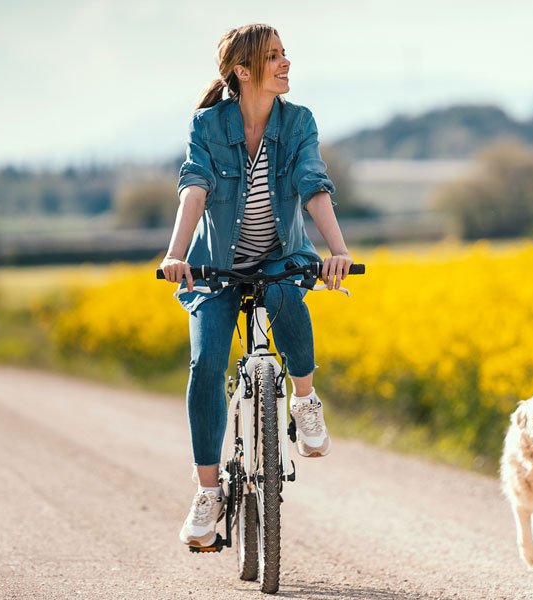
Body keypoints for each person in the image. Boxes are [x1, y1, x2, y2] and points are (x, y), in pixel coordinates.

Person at [158, 23, 353, 548]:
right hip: (214, 269)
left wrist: (338, 251)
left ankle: (304, 400)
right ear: (243, 71)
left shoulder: (299, 122)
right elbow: (194, 186)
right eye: (273, 56)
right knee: (206, 364)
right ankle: (207, 493)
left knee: (289, 294)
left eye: (285, 54)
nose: (286, 63)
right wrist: (177, 254)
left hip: (277, 259)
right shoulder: (208, 124)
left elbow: (314, 186)